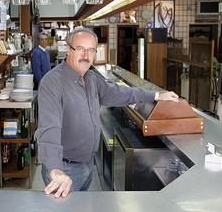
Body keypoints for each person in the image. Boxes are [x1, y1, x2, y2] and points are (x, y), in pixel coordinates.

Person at [34, 27, 179, 198]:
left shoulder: (91, 78)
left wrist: (155, 95)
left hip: (87, 164)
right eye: (80, 49)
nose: (86, 55)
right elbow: (49, 129)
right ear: (68, 50)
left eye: (91, 50)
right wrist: (55, 169)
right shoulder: (52, 83)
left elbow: (118, 92)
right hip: (64, 170)